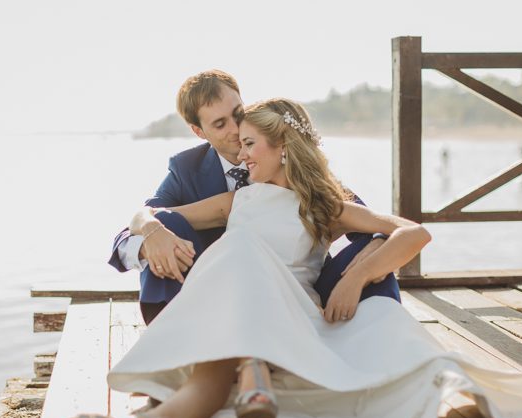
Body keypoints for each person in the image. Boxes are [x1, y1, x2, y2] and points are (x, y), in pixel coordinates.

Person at [65, 98, 522, 418]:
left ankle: (251, 369)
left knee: (240, 252)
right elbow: (152, 215)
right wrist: (150, 230)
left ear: (283, 149)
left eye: (251, 143)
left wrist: (358, 275)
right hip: (237, 310)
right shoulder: (237, 200)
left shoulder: (322, 204)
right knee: (219, 335)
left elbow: (413, 233)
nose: (241, 152)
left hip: (291, 314)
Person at [107, 69, 399, 326]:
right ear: (199, 131)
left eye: (238, 114)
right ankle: (171, 336)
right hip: (213, 295)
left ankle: (386, 340)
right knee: (167, 229)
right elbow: (142, 220)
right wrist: (150, 230)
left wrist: (367, 260)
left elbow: (367, 219)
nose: (235, 130)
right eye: (220, 124)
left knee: (375, 262)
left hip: (303, 290)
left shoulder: (280, 154)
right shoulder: (186, 169)